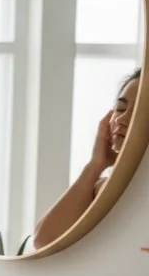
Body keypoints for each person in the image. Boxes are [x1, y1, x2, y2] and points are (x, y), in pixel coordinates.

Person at [32, 68, 141, 250]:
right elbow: (45, 241)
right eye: (120, 109)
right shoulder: (102, 188)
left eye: (138, 111)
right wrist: (95, 165)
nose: (121, 119)